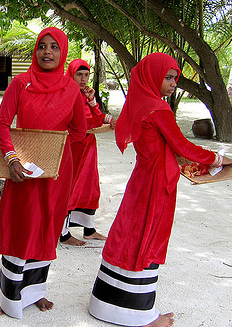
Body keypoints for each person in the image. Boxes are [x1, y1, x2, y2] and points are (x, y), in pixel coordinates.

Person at [88, 52, 232, 327]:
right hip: (156, 183)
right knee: (147, 237)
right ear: (152, 77)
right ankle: (140, 316)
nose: (173, 83)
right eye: (167, 77)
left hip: (141, 179)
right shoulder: (159, 109)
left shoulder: (138, 103)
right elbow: (183, 146)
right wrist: (217, 158)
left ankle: (106, 304)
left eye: (175, 77)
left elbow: (163, 145)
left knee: (128, 233)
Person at [0, 27, 87, 318]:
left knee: (46, 227)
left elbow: (80, 132)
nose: (47, 52)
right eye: (42, 46)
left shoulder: (72, 89)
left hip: (57, 170)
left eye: (54, 47)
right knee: (22, 226)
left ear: (63, 52)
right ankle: (9, 298)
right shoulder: (21, 82)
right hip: (23, 167)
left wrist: (53, 147)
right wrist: (12, 158)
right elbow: (2, 124)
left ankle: (35, 293)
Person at [60, 59, 115, 246]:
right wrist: (104, 119)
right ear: (71, 74)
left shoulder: (83, 94)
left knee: (89, 186)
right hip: (74, 146)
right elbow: (82, 122)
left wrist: (93, 102)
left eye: (86, 75)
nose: (83, 79)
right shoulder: (68, 93)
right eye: (79, 75)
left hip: (88, 146)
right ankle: (63, 232)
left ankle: (88, 229)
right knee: (71, 186)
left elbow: (95, 116)